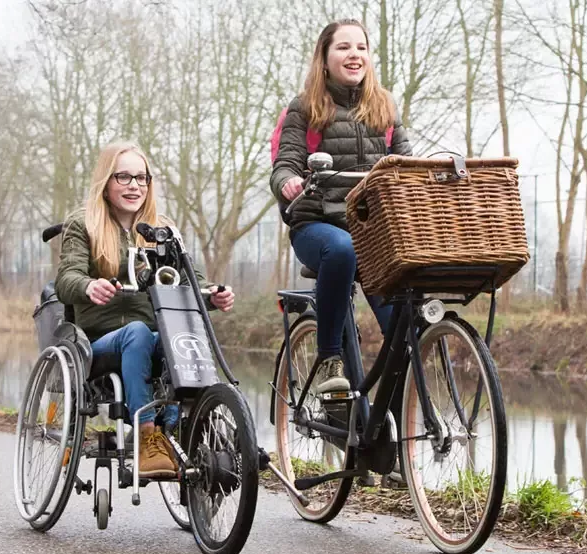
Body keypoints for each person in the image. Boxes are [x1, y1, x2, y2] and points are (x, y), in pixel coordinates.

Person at [55, 140, 234, 478]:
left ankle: (183, 427)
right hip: (100, 344)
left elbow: (191, 281)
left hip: (154, 338)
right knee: (139, 333)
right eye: (123, 177)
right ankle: (147, 436)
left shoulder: (163, 230)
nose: (134, 185)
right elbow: (66, 279)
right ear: (106, 182)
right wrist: (89, 285)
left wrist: (213, 296)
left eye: (141, 177)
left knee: (175, 337)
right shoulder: (84, 224)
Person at [270, 18, 413, 393]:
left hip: (373, 231)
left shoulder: (385, 107)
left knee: (404, 330)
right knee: (341, 250)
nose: (354, 55)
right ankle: (329, 357)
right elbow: (285, 162)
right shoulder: (305, 107)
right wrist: (288, 181)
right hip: (317, 223)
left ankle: (381, 428)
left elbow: (407, 164)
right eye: (344, 47)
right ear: (325, 57)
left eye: (361, 47)